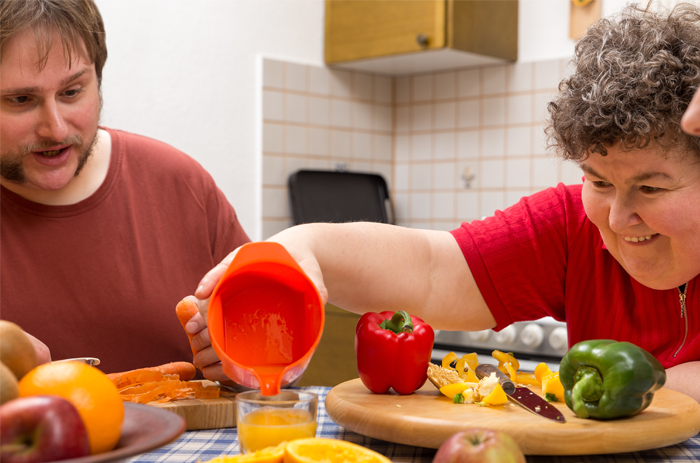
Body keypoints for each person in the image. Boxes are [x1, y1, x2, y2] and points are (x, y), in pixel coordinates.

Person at [186, 4, 700, 402]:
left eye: (651, 189)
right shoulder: (568, 226)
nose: (615, 218)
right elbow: (432, 269)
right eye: (598, 181)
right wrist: (302, 245)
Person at [0, 0, 250, 373]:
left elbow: (276, 341)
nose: (55, 128)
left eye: (72, 92)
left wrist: (248, 360)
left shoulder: (180, 183)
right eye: (21, 99)